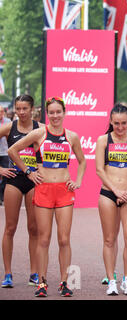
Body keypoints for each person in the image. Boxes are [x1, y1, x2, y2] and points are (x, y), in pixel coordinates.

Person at [8, 96, 86, 297]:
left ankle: (64, 282)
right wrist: (28, 171)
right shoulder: (39, 133)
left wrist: (77, 181)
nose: (55, 115)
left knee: (64, 239)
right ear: (46, 114)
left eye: (58, 112)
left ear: (64, 113)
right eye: (51, 112)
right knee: (43, 239)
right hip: (43, 189)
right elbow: (12, 150)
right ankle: (41, 282)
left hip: (64, 191)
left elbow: (82, 161)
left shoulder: (72, 136)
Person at [95, 103, 127, 296]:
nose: (121, 127)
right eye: (116, 123)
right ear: (110, 121)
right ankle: (111, 280)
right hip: (108, 193)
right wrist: (115, 190)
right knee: (109, 239)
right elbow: (99, 169)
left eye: (124, 123)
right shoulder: (103, 140)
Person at [1, 95, 43, 288]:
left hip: (34, 180)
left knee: (34, 229)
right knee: (10, 227)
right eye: (18, 108)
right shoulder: (10, 128)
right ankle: (8, 274)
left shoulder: (40, 128)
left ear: (32, 108)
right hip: (15, 179)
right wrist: (0, 170)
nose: (21, 112)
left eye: (24, 108)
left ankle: (34, 273)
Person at [0, 105, 12, 205]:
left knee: (6, 174)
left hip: (5, 152)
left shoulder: (8, 122)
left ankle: (2, 195)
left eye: (2, 111)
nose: (1, 113)